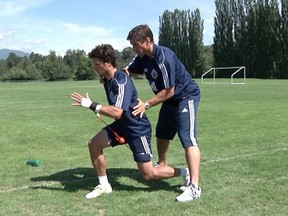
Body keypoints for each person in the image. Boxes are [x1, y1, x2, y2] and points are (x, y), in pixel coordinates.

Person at [70, 44, 190, 200]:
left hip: (137, 128)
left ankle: (184, 172)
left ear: (108, 63)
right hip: (122, 126)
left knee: (149, 174)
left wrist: (91, 105)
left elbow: (117, 113)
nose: (94, 67)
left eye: (97, 64)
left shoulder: (121, 82)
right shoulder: (107, 77)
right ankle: (104, 185)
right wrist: (99, 87)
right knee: (94, 144)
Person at [126, 24, 202, 202]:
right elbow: (127, 71)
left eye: (136, 45)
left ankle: (194, 187)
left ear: (148, 40)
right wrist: (109, 74)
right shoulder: (142, 58)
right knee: (162, 134)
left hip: (185, 96)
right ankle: (162, 165)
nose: (135, 49)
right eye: (133, 46)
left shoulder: (164, 57)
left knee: (187, 138)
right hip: (169, 100)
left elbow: (170, 90)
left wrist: (147, 104)